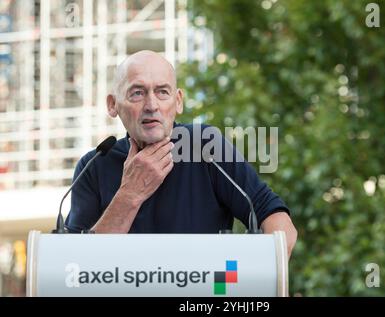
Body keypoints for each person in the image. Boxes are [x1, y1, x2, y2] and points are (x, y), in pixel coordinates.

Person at [65, 50, 297, 257]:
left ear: (177, 102)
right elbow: (74, 264)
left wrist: (261, 281)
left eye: (162, 92)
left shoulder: (205, 146)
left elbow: (274, 218)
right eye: (137, 93)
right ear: (113, 104)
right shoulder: (94, 164)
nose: (151, 105)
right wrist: (130, 194)